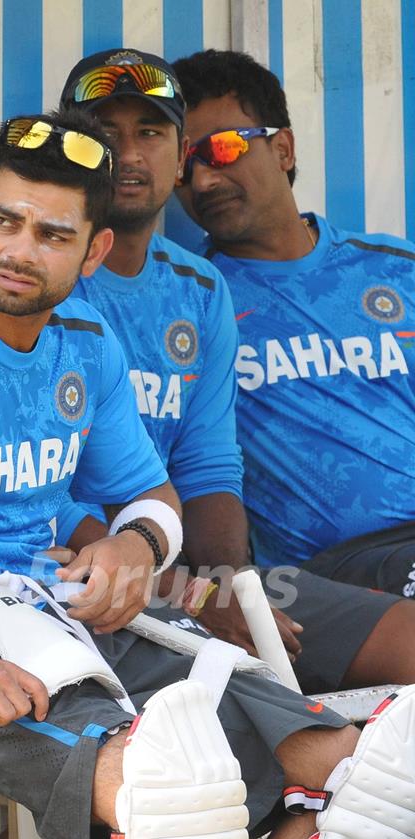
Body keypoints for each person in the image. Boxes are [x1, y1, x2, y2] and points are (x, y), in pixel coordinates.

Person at [0, 107, 415, 839]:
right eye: (6, 221)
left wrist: (135, 546)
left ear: (93, 251)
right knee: (171, 790)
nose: (19, 250)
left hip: (63, 611)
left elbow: (154, 497)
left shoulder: (87, 340)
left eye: (52, 235)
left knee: (353, 773)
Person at [57, 47, 415, 695]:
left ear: (283, 148)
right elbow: (31, 487)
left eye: (211, 150)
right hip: (87, 580)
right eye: (106, 136)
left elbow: (207, 466)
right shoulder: (41, 283)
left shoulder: (196, 289)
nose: (202, 178)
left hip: (196, 575)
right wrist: (195, 590)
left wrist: (226, 583)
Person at [172, 49, 415, 603]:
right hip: (329, 577)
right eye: (184, 164)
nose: (204, 179)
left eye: (224, 148)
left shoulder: (398, 270)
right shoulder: (191, 304)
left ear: (283, 148)